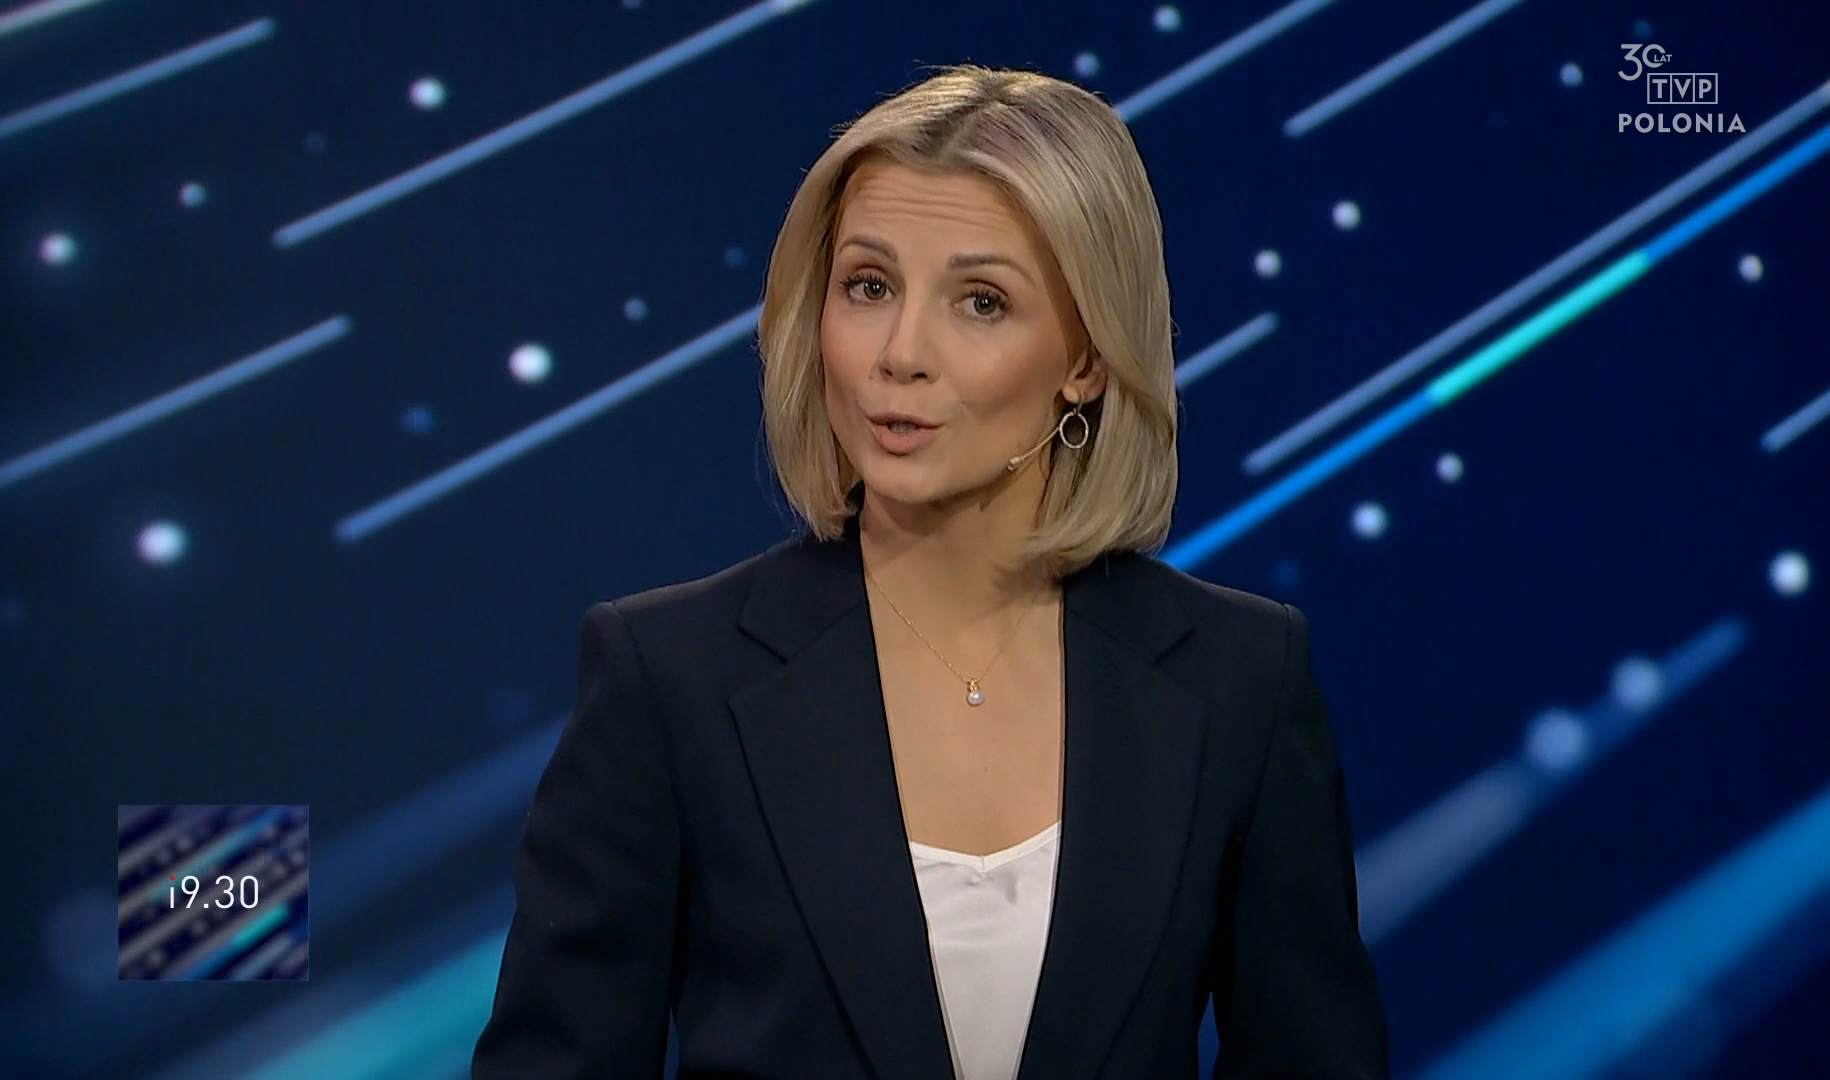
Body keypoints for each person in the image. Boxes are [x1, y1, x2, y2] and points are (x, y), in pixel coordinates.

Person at [472, 64, 1387, 1079]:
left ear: (1085, 358)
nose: (900, 353)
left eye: (981, 302)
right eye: (868, 287)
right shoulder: (669, 678)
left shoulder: (1239, 678)